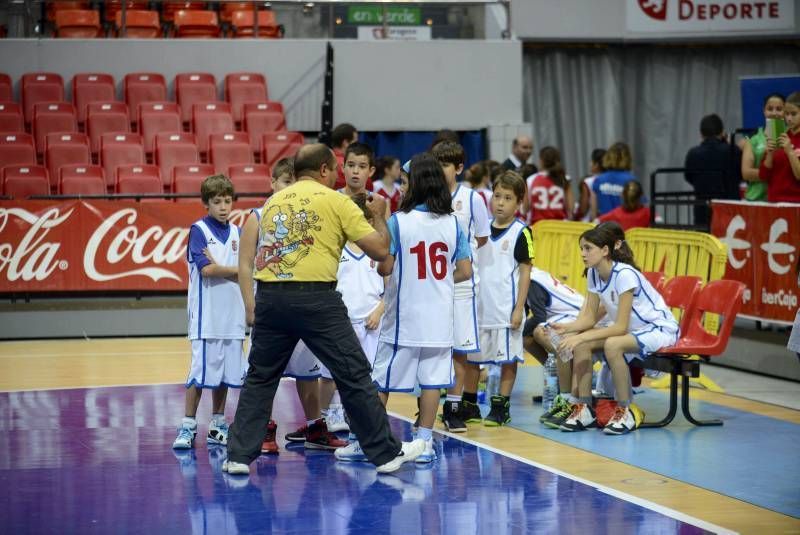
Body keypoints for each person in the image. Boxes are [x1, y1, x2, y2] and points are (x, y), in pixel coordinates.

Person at [225, 143, 425, 476]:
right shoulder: (336, 201)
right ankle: (386, 454)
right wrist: (378, 216)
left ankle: (238, 457)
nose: (338, 175)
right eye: (335, 169)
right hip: (316, 298)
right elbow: (378, 250)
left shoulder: (273, 203)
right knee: (354, 374)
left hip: (271, 299)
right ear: (322, 170)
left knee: (260, 378)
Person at [341, 153, 472, 464]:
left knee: (381, 383)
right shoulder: (453, 223)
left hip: (405, 318)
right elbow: (465, 271)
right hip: (440, 319)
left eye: (403, 181)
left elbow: (385, 268)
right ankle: (424, 442)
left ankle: (365, 440)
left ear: (416, 184)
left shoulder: (399, 221)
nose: (400, 187)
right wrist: (438, 284)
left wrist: (376, 221)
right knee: (431, 383)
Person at [552, 224, 678, 435]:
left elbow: (619, 327)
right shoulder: (593, 273)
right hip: (633, 332)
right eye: (581, 248)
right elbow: (590, 317)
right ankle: (583, 408)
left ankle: (625, 409)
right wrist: (568, 328)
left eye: (588, 248)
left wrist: (580, 337)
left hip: (659, 328)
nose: (583, 253)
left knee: (612, 344)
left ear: (605, 250)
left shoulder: (624, 274)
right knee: (582, 345)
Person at [173, 175, 246, 451]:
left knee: (226, 375)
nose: (224, 207)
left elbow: (226, 270)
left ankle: (217, 424)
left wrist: (224, 268)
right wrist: (238, 271)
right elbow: (207, 270)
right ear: (206, 203)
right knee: (199, 374)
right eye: (217, 202)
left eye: (227, 201)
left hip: (234, 316)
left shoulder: (240, 233)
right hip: (207, 318)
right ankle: (188, 426)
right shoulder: (198, 230)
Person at [462, 171, 533, 426]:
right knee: (472, 358)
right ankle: (468, 404)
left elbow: (526, 272)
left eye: (508, 198)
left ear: (519, 202)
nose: (500, 202)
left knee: (507, 359)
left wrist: (519, 308)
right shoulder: (479, 230)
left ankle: (501, 407)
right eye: (497, 196)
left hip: (506, 309)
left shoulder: (522, 232)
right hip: (480, 307)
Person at [431, 141, 490, 431]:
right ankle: (426, 407)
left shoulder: (472, 199)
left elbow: (481, 237)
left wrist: (463, 261)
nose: (441, 170)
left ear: (459, 167)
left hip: (462, 285)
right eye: (437, 163)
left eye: (446, 164)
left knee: (459, 350)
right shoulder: (426, 197)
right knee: (430, 347)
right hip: (430, 284)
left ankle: (453, 408)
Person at [522, 268, 585, 429]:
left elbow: (539, 317)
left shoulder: (531, 280)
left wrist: (515, 331)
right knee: (527, 340)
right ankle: (558, 379)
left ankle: (567, 396)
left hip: (576, 316)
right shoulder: (529, 274)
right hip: (563, 316)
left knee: (541, 333)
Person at [684, 114, 742, 225]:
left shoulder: (693, 153)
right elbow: (740, 174)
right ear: (722, 132)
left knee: (704, 238)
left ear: (701, 134)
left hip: (702, 207)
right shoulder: (733, 151)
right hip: (729, 207)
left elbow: (689, 177)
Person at [742, 93, 785, 202]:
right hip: (756, 200)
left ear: (786, 112)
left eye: (779, 109)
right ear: (764, 111)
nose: (774, 113)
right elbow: (746, 173)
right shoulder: (753, 139)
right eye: (770, 109)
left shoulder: (792, 136)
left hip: (784, 201)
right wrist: (769, 173)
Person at [760, 91, 800, 202]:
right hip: (774, 202)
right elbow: (763, 176)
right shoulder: (779, 136)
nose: (789, 119)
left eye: (793, 114)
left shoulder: (786, 141)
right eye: (786, 114)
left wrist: (790, 152)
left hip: (796, 204)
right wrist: (769, 154)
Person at [526, 146, 573, 224]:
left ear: (541, 161)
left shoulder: (531, 179)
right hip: (560, 226)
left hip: (538, 226)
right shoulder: (565, 179)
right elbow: (571, 208)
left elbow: (525, 209)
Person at [591, 142, 636, 219]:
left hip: (604, 227)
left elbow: (594, 210)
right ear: (628, 158)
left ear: (608, 157)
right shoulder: (632, 181)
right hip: (626, 228)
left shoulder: (599, 180)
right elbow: (638, 209)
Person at [331, 123, 370, 191]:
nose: (357, 145)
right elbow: (368, 185)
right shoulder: (346, 163)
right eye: (355, 142)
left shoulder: (324, 161)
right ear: (346, 142)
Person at [575, 148, 606, 222]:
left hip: (591, 223)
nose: (590, 164)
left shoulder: (588, 182)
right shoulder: (611, 180)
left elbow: (583, 209)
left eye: (591, 161)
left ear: (596, 165)